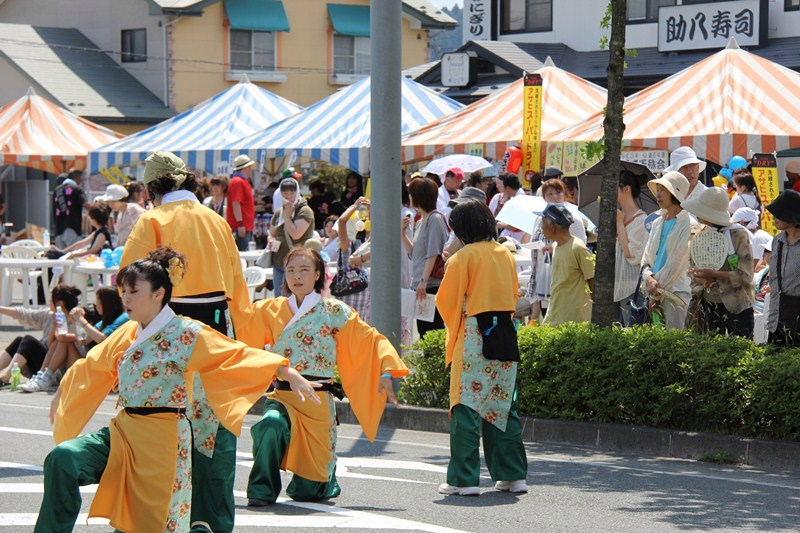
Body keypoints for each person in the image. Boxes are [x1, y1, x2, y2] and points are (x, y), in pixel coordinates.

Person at [34, 248, 316, 533]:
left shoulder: (187, 333)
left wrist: (285, 371)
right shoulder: (129, 332)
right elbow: (92, 365)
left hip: (164, 442)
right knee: (64, 459)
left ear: (158, 294)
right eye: (123, 291)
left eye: (134, 291)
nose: (126, 298)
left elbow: (235, 355)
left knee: (148, 524)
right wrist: (64, 391)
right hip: (124, 433)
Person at [120, 151, 258, 533]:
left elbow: (130, 283)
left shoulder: (152, 220)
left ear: (152, 188)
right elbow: (238, 288)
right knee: (216, 428)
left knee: (163, 421)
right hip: (215, 330)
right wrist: (244, 344)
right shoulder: (216, 221)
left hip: (169, 332)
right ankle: (213, 520)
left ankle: (167, 517)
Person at [245, 246, 407, 505]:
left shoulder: (334, 311)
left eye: (304, 270)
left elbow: (369, 339)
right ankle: (262, 488)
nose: (297, 276)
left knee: (309, 492)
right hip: (283, 395)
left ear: (318, 274)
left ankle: (319, 479)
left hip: (318, 402)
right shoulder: (268, 309)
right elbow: (244, 343)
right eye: (291, 270)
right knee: (270, 424)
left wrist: (387, 371)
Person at [435, 200, 528, 496]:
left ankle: (463, 480)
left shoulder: (463, 257)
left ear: (461, 229)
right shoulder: (505, 253)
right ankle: (514, 475)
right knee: (501, 405)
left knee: (466, 407)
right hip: (504, 331)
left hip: (474, 335)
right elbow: (514, 294)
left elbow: (446, 302)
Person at [683, 187, 754, 338]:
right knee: (708, 352)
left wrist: (715, 275)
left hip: (736, 304)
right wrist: (700, 277)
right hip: (707, 302)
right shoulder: (697, 233)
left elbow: (746, 275)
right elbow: (691, 267)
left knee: (739, 351)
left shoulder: (738, 234)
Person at [524, 179, 587, 321]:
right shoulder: (540, 218)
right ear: (544, 197)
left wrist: (555, 248)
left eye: (558, 192)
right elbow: (534, 239)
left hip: (564, 272)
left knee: (557, 312)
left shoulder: (572, 217)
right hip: (543, 271)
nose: (554, 197)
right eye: (549, 194)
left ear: (564, 194)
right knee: (545, 312)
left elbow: (580, 244)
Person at [0, 285, 82, 389]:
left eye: (50, 301)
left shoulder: (74, 320)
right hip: (41, 363)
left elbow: (52, 344)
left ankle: (5, 376)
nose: (49, 303)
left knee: (28, 340)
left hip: (54, 368)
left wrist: (55, 325)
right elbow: (24, 314)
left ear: (59, 303)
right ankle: (4, 375)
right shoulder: (49, 315)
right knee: (19, 341)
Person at [641, 171, 692, 329]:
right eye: (658, 189)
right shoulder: (657, 222)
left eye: (663, 190)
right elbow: (646, 257)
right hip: (654, 290)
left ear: (674, 193)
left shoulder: (688, 223)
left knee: (676, 340)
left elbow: (677, 262)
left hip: (676, 292)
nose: (659, 194)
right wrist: (649, 278)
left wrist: (656, 286)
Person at [403, 177, 449, 338]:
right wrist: (402, 234)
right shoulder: (422, 220)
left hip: (430, 285)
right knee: (424, 332)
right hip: (422, 284)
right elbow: (414, 254)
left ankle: (437, 364)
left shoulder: (434, 219)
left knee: (431, 332)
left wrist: (423, 281)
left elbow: (433, 253)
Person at [539, 205, 595, 326]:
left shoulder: (578, 247)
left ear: (552, 226)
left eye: (543, 223)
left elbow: (592, 280)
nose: (541, 228)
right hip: (555, 311)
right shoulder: (555, 246)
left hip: (574, 317)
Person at [270, 177, 315, 297]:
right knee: (279, 298)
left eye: (292, 193)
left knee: (295, 298)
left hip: (298, 264)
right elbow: (272, 232)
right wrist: (271, 239)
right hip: (279, 261)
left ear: (297, 192)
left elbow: (296, 234)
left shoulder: (305, 211)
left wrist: (286, 217)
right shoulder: (279, 211)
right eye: (285, 193)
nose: (288, 196)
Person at [765, 190, 800, 346]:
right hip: (777, 313)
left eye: (779, 214)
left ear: (791, 217)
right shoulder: (777, 240)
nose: (774, 219)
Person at [614, 171, 649, 325]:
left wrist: (620, 224)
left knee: (631, 332)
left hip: (633, 288)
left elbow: (631, 254)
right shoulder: (618, 217)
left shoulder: (642, 220)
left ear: (626, 189)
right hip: (618, 285)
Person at [336, 197, 372, 320]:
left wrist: (355, 205)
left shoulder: (346, 245)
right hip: (363, 291)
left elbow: (341, 221)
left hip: (347, 291)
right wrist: (370, 209)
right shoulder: (366, 244)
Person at [227, 154, 257, 251]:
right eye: (249, 167)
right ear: (245, 168)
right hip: (241, 227)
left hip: (245, 226)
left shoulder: (241, 181)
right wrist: (240, 224)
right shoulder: (238, 182)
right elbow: (236, 203)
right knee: (243, 257)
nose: (250, 169)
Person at [52, 171, 86, 249]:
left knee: (61, 258)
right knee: (74, 256)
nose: (81, 181)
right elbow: (85, 204)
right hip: (72, 229)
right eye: (81, 178)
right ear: (76, 177)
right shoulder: (77, 189)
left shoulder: (56, 190)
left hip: (58, 231)